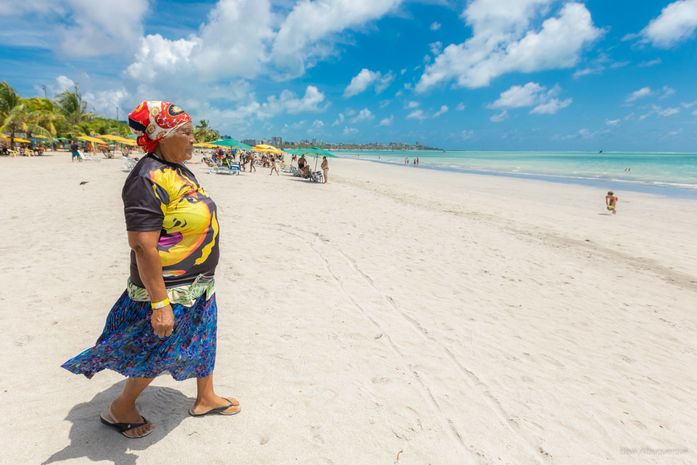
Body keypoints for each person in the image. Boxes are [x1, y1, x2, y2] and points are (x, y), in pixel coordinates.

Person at [61, 100, 239, 439]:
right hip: (168, 288)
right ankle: (120, 408)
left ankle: (205, 397)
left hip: (198, 282)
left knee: (205, 338)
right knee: (157, 350)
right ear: (162, 136)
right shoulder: (145, 178)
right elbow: (143, 245)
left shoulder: (180, 169)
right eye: (186, 133)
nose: (193, 140)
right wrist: (159, 304)